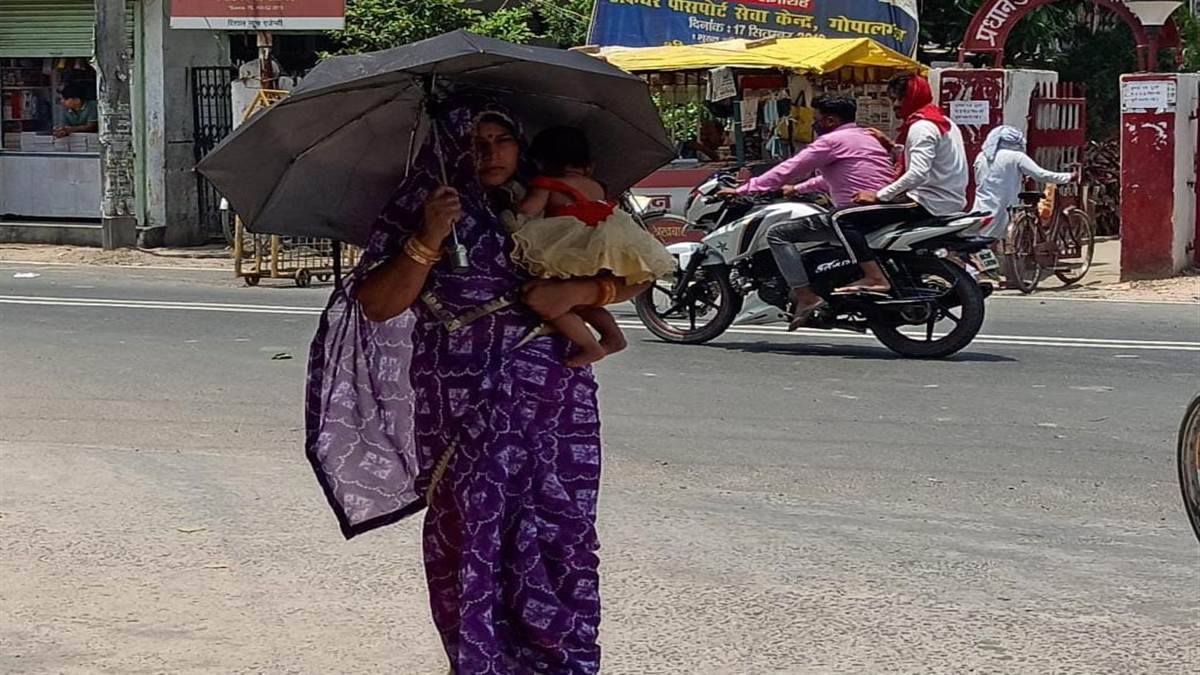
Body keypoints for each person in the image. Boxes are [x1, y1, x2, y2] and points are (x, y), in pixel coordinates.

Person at [308, 101, 650, 674]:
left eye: (501, 140)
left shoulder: (550, 199)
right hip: (458, 395)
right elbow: (377, 304)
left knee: (560, 532)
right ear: (448, 149)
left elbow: (630, 270)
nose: (489, 154)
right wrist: (429, 237)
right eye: (474, 142)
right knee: (472, 535)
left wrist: (579, 294)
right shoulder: (422, 207)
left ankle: (561, 663)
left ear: (522, 145)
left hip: (552, 391)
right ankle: (480, 662)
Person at [718, 94, 896, 329]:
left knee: (778, 234)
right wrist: (795, 189)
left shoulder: (830, 142)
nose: (814, 123)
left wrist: (744, 189)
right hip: (882, 207)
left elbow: (788, 168)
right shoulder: (866, 137)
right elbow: (835, 178)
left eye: (817, 118)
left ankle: (806, 296)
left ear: (830, 120)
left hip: (854, 213)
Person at [510, 126, 675, 366]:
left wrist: (514, 204)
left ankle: (590, 345)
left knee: (555, 301)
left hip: (572, 250)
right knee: (582, 300)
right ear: (589, 165)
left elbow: (528, 210)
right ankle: (613, 336)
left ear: (540, 162)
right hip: (609, 248)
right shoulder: (596, 185)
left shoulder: (546, 183)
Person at [845, 73, 969, 294]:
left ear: (911, 96)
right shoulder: (942, 121)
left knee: (843, 219)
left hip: (927, 202)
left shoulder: (922, 127)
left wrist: (880, 195)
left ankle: (874, 277)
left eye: (898, 98)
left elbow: (917, 174)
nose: (895, 105)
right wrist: (891, 145)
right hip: (946, 200)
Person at [971, 125, 1074, 239]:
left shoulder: (981, 156)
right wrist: (1068, 176)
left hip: (982, 206)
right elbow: (1041, 175)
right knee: (1003, 233)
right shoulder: (1016, 156)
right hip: (1005, 206)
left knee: (981, 235)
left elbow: (979, 179)